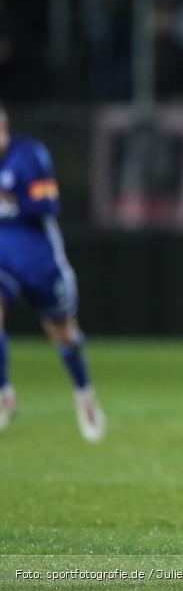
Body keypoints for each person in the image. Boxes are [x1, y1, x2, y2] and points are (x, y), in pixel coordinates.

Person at [0, 102, 105, 441]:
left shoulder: (29, 155)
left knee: (64, 334)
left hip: (39, 262)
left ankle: (84, 393)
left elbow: (46, 205)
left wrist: (9, 198)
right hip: (4, 262)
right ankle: (4, 395)